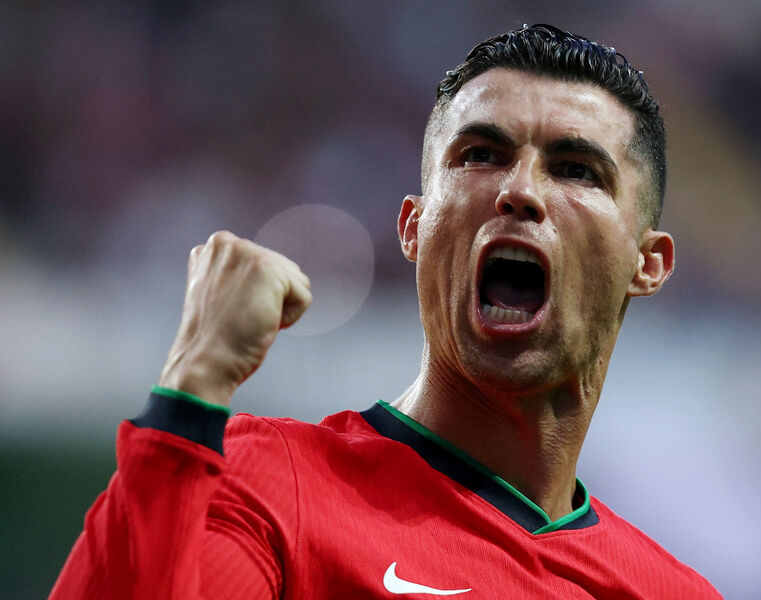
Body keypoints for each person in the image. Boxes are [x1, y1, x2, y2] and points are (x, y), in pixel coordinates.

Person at [51, 24, 722, 598]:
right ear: (413, 227)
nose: (520, 190)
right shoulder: (270, 485)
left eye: (575, 169)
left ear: (648, 262)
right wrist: (194, 384)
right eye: (481, 155)